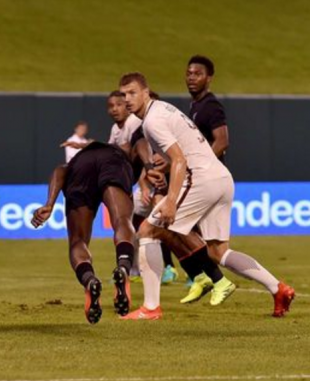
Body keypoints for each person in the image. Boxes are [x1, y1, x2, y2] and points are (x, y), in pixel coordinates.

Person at [118, 72, 295, 320]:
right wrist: (163, 169)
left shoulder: (151, 121)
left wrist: (170, 199)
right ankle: (278, 289)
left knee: (147, 230)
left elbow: (180, 159)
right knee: (218, 252)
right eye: (123, 94)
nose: (127, 99)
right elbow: (185, 152)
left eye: (132, 92)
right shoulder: (162, 109)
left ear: (146, 92)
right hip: (221, 178)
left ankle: (150, 307)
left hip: (201, 179)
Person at [31, 141, 146, 323]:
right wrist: (151, 167)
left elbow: (60, 170)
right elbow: (141, 145)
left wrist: (49, 203)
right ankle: (124, 267)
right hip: (113, 162)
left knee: (78, 240)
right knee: (122, 220)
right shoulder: (127, 151)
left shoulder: (84, 154)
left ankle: (89, 279)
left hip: (81, 166)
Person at [108, 91, 179, 284]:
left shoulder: (142, 124)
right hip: (148, 185)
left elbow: (166, 158)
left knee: (168, 227)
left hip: (169, 184)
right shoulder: (125, 127)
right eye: (111, 105)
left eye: (120, 104)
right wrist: (144, 185)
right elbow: (142, 160)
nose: (115, 108)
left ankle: (186, 270)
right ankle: (134, 270)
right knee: (133, 223)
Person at [186, 55, 229, 162]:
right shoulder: (196, 104)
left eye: (198, 74)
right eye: (189, 74)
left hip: (211, 176)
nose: (191, 78)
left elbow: (222, 142)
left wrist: (202, 165)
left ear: (209, 78)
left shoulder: (211, 105)